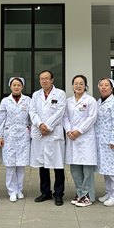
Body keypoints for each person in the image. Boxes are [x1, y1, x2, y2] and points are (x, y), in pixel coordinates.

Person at [29, 70, 67, 206]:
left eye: (46, 78)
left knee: (58, 165)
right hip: (40, 133)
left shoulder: (60, 94)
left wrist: (48, 127)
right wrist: (40, 125)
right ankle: (45, 192)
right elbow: (32, 111)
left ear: (52, 80)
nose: (44, 81)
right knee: (43, 165)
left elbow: (60, 112)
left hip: (54, 134)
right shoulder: (36, 95)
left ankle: (58, 194)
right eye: (41, 79)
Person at [64, 75, 98, 207]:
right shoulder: (68, 101)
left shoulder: (90, 100)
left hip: (85, 138)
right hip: (72, 138)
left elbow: (91, 118)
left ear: (85, 86)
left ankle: (87, 195)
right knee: (75, 169)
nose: (78, 86)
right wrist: (68, 131)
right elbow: (65, 117)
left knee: (87, 169)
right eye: (76, 83)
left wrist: (79, 131)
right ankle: (79, 193)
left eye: (81, 83)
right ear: (72, 85)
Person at [0, 77, 32, 202]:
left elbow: (31, 118)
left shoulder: (28, 100)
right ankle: (12, 191)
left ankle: (19, 190)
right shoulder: (5, 101)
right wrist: (0, 136)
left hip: (23, 135)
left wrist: (31, 133)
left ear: (22, 87)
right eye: (14, 85)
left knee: (21, 165)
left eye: (18, 85)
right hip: (9, 136)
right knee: (10, 165)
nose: (16, 87)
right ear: (10, 86)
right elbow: (0, 119)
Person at [95, 78, 114, 207]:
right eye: (101, 85)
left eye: (106, 85)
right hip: (101, 141)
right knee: (106, 169)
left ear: (111, 88)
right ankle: (109, 192)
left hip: (111, 141)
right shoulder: (98, 102)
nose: (103, 87)